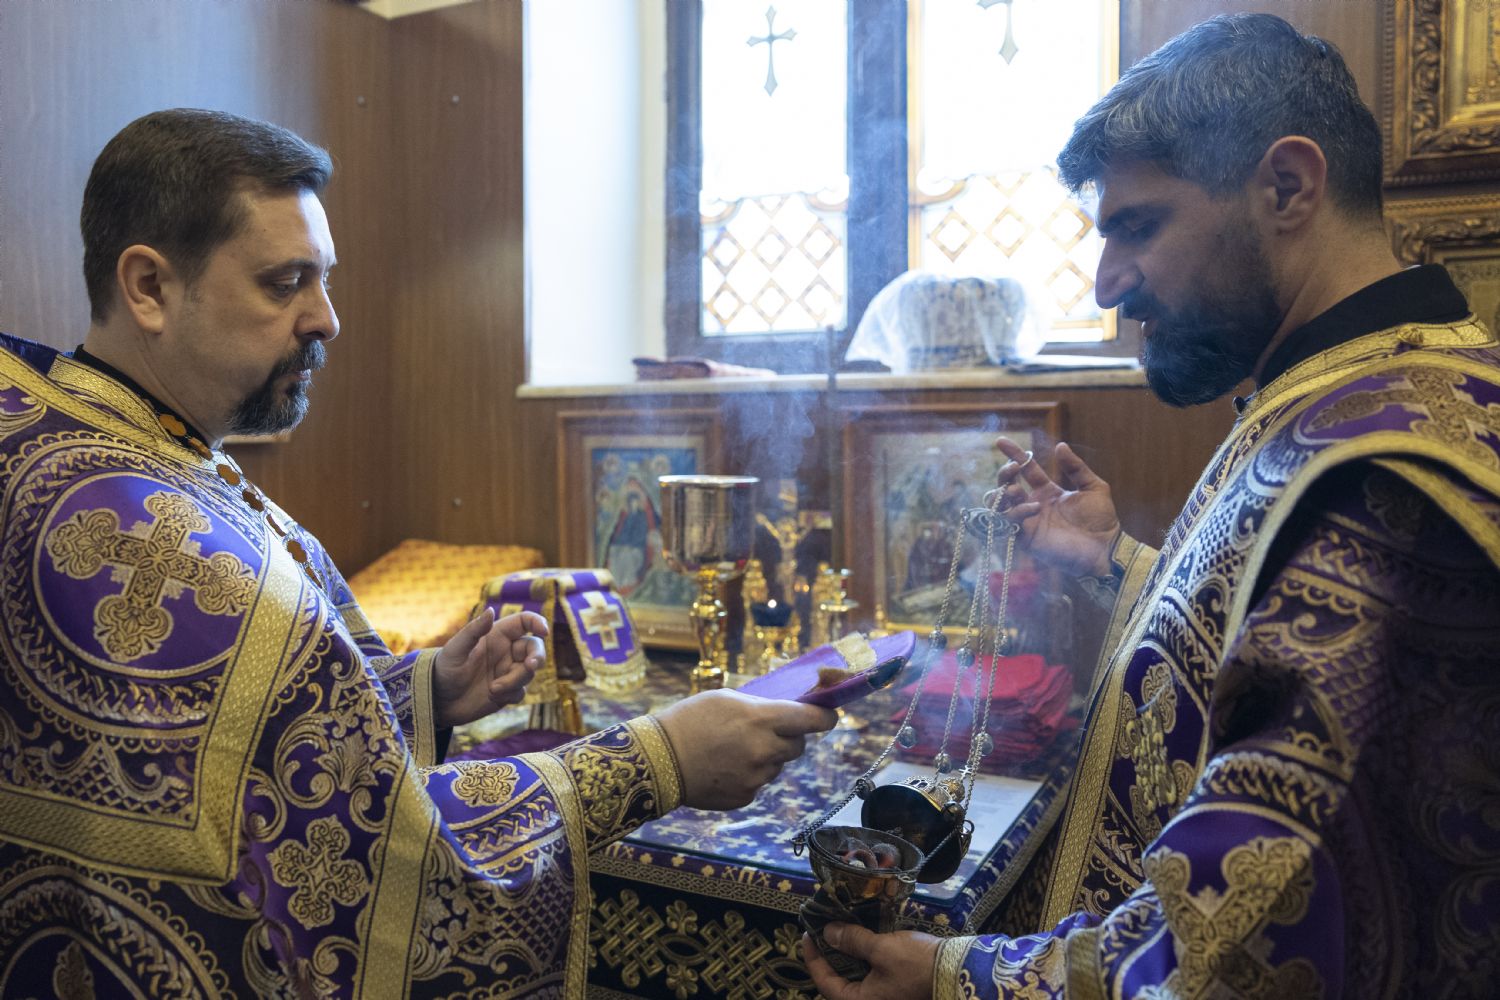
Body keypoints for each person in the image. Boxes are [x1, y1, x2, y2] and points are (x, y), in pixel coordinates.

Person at [0, 108, 836, 998]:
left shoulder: (68, 441)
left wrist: (420, 691)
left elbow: (235, 765)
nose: (327, 319)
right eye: (285, 283)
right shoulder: (158, 544)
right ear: (148, 287)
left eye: (324, 279)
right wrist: (660, 759)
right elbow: (380, 870)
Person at [804, 13, 1500, 999]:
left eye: (1138, 226)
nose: (1107, 285)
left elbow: (1243, 937)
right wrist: (1117, 567)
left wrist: (957, 977)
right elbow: (1261, 652)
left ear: (1288, 186)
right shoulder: (1367, 393)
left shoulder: (1378, 477)